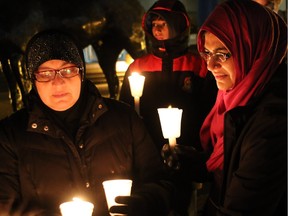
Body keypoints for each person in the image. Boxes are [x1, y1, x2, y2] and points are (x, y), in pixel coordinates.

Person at [0, 29, 174, 216]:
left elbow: (160, 181)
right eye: (45, 73)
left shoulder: (123, 118)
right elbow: (6, 206)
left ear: (81, 73)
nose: (58, 83)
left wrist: (145, 203)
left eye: (67, 70)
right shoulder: (11, 135)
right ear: (32, 79)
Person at [162, 0, 287, 215]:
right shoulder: (236, 97)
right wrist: (197, 163)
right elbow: (231, 167)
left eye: (223, 53)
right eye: (207, 53)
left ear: (253, 50)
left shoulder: (273, 124)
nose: (210, 65)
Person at [119, 0, 217, 215]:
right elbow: (124, 110)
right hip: (148, 152)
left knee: (184, 206)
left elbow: (211, 110)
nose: (157, 27)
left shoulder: (199, 66)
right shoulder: (138, 67)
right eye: (154, 22)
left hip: (187, 153)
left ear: (180, 26)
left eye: (164, 22)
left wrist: (201, 151)